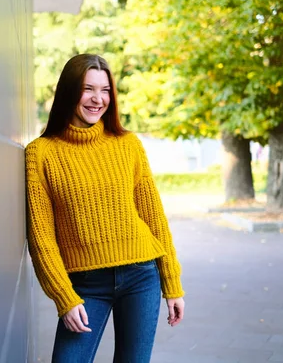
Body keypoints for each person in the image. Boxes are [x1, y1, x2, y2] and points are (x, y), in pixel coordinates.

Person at [25, 54, 185, 363]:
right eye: (88, 89)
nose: (98, 99)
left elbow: (154, 218)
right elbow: (41, 237)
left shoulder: (128, 145)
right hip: (85, 285)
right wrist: (64, 297)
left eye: (106, 90)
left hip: (141, 275)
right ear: (69, 91)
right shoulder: (41, 154)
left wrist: (172, 284)